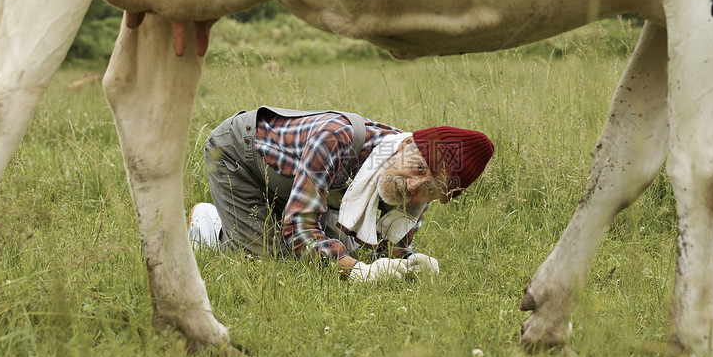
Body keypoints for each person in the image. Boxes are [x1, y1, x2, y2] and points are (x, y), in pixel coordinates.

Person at [188, 106, 493, 282]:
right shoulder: (338, 138)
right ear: (404, 146)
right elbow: (300, 227)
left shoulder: (418, 184)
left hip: (298, 180)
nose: (413, 186)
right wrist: (358, 273)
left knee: (347, 247)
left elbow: (384, 247)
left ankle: (248, 221)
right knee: (271, 264)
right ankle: (210, 226)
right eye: (416, 168)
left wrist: (412, 261)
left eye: (430, 188)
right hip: (242, 157)